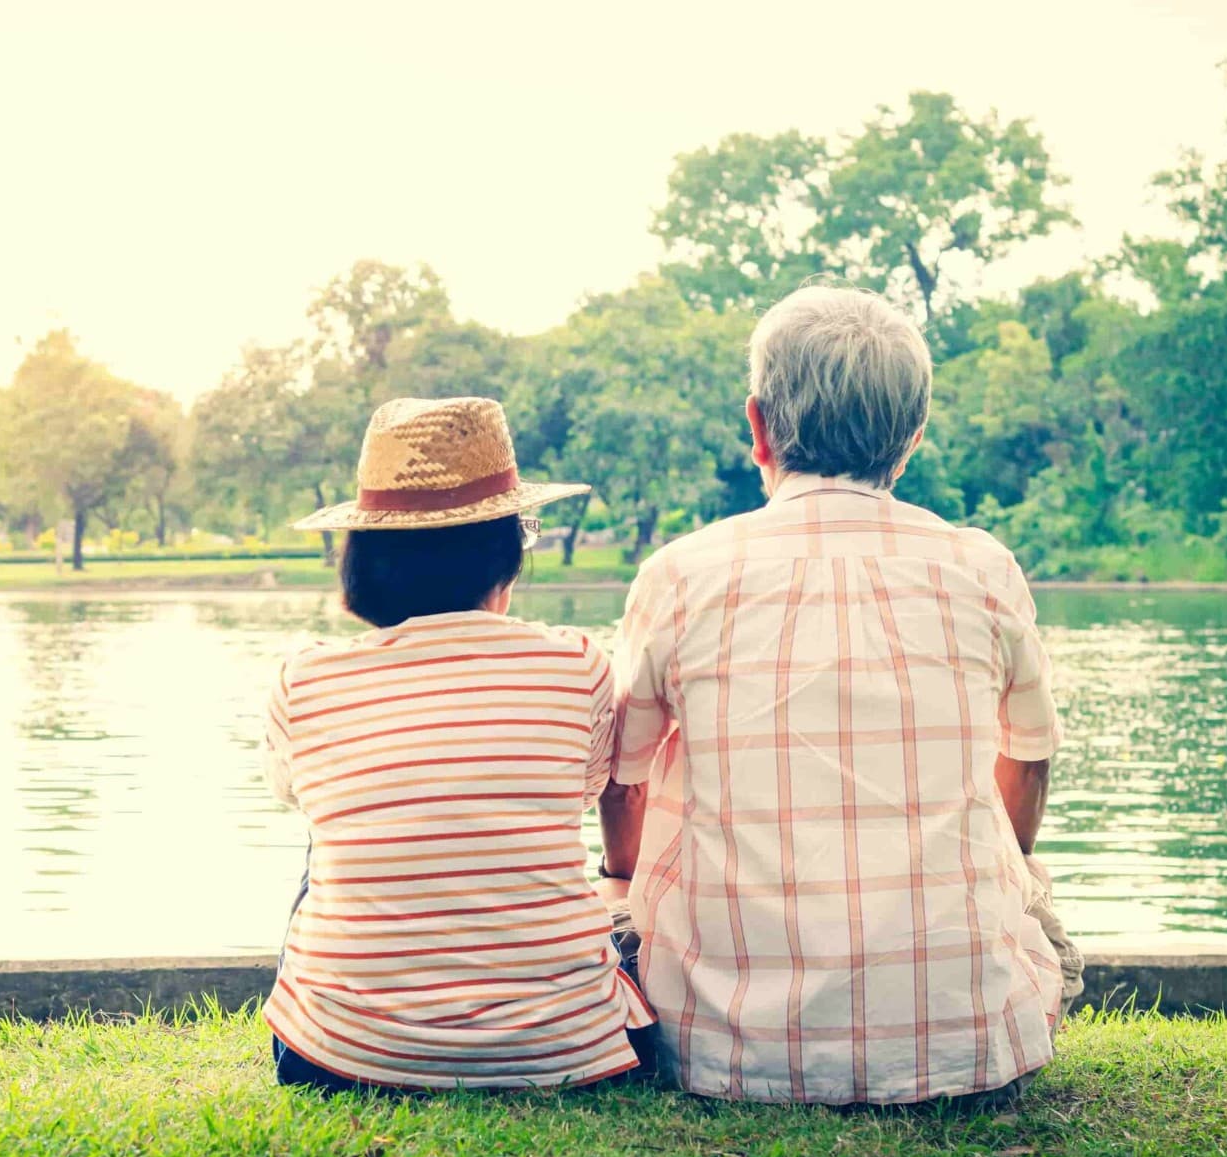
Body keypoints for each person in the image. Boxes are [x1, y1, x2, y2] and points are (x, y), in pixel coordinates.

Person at [602, 283, 1085, 1109]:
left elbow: (626, 781)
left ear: (758, 427)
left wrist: (621, 884)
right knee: (1031, 897)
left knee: (619, 896)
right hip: (965, 1042)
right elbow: (1029, 763)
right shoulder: (981, 568)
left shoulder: (679, 576)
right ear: (914, 438)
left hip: (723, 1046)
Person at [260, 396, 656, 1092]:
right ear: (503, 550)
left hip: (336, 1055)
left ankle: (373, 1001)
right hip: (565, 1047)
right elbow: (594, 788)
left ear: (364, 560)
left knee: (330, 828)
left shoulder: (304, 677)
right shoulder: (579, 664)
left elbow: (295, 794)